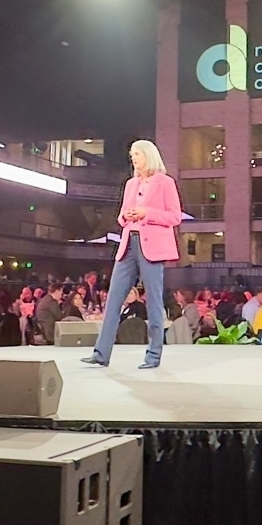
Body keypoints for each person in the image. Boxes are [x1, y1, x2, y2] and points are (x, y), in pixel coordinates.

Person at [84, 139, 183, 369]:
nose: (134, 158)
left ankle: (153, 356)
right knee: (113, 300)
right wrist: (127, 215)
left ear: (149, 155)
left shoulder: (165, 183)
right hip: (128, 244)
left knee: (154, 302)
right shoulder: (130, 184)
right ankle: (101, 353)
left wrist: (146, 212)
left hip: (152, 246)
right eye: (132, 154)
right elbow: (121, 217)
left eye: (137, 154)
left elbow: (174, 217)